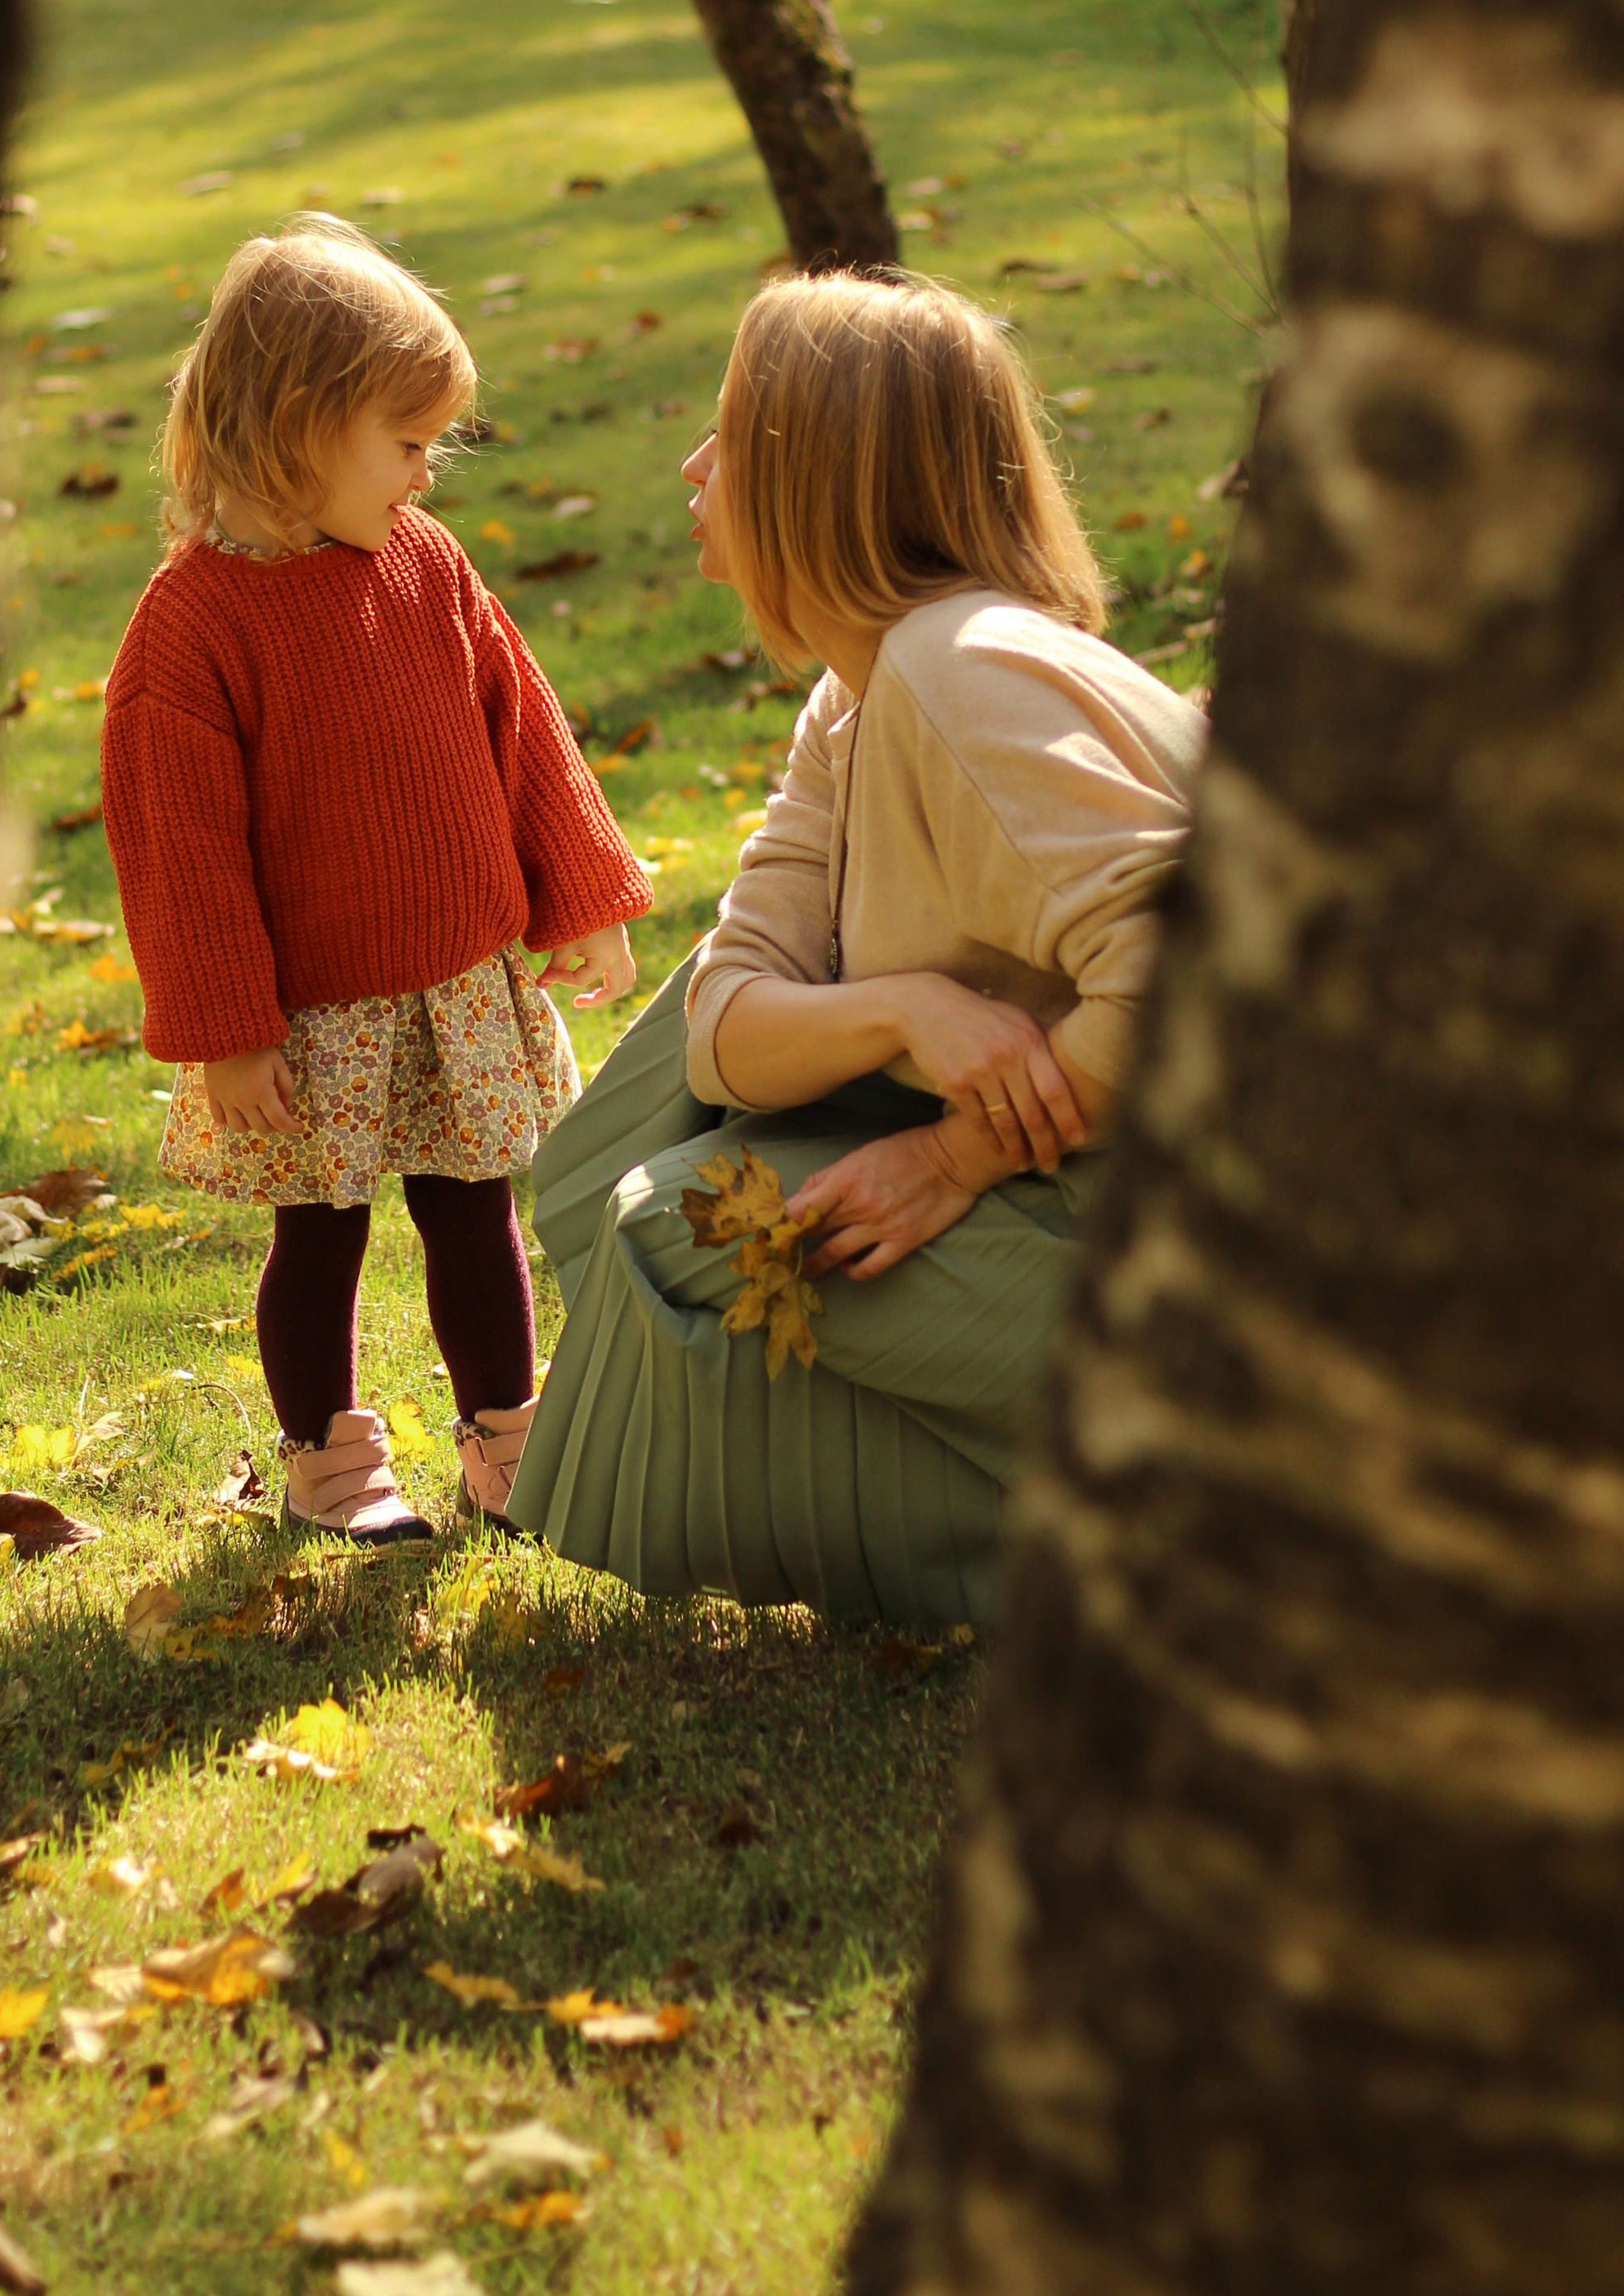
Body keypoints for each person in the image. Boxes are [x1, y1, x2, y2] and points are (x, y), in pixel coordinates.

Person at [507, 270, 1204, 1629]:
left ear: (820, 474)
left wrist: (956, 1156)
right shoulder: (863, 682)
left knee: (686, 1225)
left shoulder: (967, 672)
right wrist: (904, 1009)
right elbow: (720, 1019)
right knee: (622, 1154)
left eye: (732, 432)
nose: (698, 466)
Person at [100, 214, 649, 1549]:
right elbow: (181, 851)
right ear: (299, 425)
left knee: (475, 1215)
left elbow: (520, 732)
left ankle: (506, 1437)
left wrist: (577, 895)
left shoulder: (428, 568)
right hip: (315, 1020)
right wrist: (228, 1031)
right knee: (322, 1232)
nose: (422, 477)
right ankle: (327, 1464)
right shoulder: (195, 629)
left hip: (457, 982)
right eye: (405, 446)